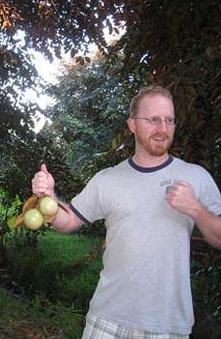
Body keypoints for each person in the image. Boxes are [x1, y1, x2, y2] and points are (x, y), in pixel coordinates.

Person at [31, 85, 221, 338]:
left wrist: (196, 209)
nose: (163, 129)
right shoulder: (107, 180)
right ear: (132, 124)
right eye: (153, 119)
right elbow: (66, 222)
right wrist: (48, 197)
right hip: (107, 322)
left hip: (167, 327)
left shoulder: (195, 177)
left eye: (169, 120)